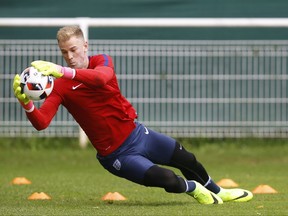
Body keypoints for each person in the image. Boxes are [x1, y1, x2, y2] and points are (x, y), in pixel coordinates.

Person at [13, 25, 253, 204]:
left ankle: (219, 191)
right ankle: (193, 188)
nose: (69, 56)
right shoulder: (59, 85)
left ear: (85, 46)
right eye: (64, 52)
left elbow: (101, 78)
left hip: (139, 134)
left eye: (73, 49)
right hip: (116, 155)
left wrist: (61, 70)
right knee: (168, 179)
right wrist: (27, 104)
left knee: (187, 158)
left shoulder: (100, 61)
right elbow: (42, 123)